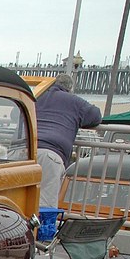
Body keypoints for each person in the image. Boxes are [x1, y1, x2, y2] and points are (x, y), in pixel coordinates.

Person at [35, 74, 101, 208]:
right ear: (70, 89)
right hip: (50, 154)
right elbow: (96, 116)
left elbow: (14, 113)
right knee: (45, 205)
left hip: (22, 150)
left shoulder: (36, 96)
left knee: (15, 201)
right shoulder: (74, 101)